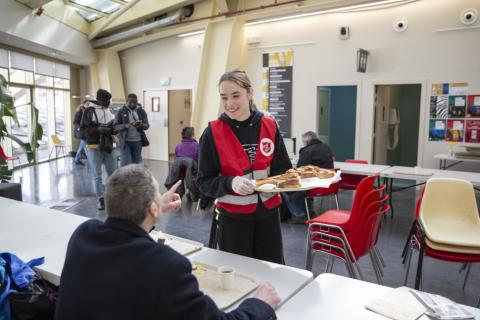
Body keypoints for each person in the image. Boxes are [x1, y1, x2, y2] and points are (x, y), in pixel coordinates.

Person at [55, 164, 280, 320]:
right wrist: (260, 304)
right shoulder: (166, 265)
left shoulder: (83, 235)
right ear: (152, 209)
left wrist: (153, 208)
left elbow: (125, 225)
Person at [197, 70, 292, 264]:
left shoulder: (269, 125)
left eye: (236, 95)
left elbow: (282, 168)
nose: (229, 104)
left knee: (272, 270)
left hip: (268, 215)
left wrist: (278, 182)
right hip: (233, 220)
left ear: (250, 93)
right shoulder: (212, 133)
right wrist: (231, 182)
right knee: (238, 276)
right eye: (224, 97)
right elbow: (204, 182)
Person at [282, 131, 334, 223]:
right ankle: (309, 211)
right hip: (328, 184)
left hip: (313, 184)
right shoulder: (326, 147)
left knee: (284, 188)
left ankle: (299, 215)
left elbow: (299, 170)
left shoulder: (307, 151)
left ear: (306, 142)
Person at [80, 88, 117, 210]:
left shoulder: (108, 111)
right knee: (97, 175)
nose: (109, 103)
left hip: (107, 145)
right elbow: (83, 131)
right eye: (108, 100)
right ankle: (101, 199)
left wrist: (114, 130)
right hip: (93, 146)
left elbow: (111, 128)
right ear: (101, 101)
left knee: (113, 172)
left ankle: (110, 195)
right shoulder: (89, 111)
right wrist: (98, 130)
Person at [115, 93, 149, 166]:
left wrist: (140, 125)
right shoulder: (121, 111)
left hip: (138, 141)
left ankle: (134, 177)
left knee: (136, 164)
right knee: (126, 164)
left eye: (135, 102)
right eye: (131, 102)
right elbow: (116, 126)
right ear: (127, 101)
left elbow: (146, 125)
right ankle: (124, 177)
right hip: (125, 142)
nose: (133, 104)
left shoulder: (141, 111)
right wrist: (126, 125)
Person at [72, 100, 90, 166]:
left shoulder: (87, 111)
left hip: (86, 132)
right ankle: (89, 159)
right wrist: (79, 127)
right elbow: (75, 122)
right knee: (83, 146)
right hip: (81, 132)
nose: (88, 106)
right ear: (84, 104)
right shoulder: (79, 111)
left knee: (82, 146)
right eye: (87, 104)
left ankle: (77, 159)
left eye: (89, 104)